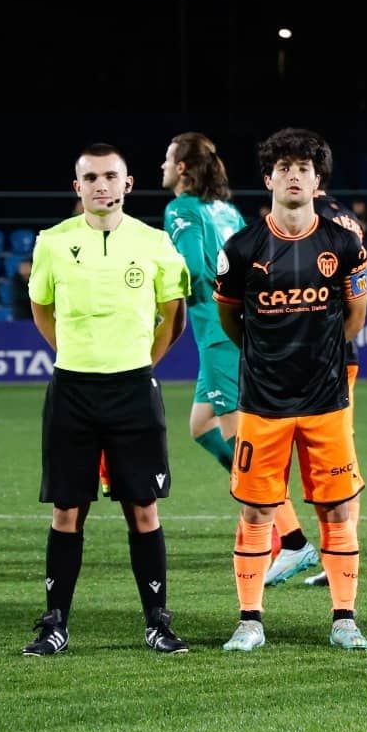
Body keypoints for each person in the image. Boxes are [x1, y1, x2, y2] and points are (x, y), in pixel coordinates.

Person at [21, 143, 191, 657]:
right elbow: (41, 308)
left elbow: (174, 315)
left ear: (128, 183)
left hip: (133, 389)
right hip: (72, 390)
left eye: (110, 176)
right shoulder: (52, 242)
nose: (101, 185)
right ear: (78, 187)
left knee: (143, 508)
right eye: (91, 178)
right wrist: (73, 354)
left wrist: (141, 363)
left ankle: (158, 622)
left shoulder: (155, 242)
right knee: (66, 510)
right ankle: (55, 625)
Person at [214, 127, 367, 651]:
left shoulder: (344, 245)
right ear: (268, 179)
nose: (294, 176)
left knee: (337, 510)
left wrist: (318, 355)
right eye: (284, 168)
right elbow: (231, 320)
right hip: (263, 402)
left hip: (326, 400)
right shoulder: (241, 249)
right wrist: (269, 354)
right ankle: (250, 621)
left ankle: (344, 619)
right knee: (257, 512)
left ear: (317, 179)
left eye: (304, 168)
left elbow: (353, 317)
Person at [272, 171, 367, 589]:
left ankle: (336, 555)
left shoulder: (314, 222)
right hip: (342, 353)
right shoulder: (349, 218)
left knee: (326, 461)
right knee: (339, 457)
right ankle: (340, 552)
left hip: (316, 356)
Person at [161, 132, 248, 478]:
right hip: (240, 323)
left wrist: (160, 292)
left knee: (236, 431)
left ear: (182, 168)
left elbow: (194, 269)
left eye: (168, 159)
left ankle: (271, 506)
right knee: (201, 425)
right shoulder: (229, 212)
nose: (163, 166)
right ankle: (253, 490)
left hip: (217, 331)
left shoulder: (180, 208)